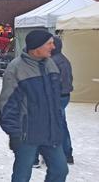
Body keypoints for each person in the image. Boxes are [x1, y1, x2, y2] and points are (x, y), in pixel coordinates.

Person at [0, 30, 68, 181]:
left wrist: (58, 123)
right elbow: (7, 106)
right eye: (49, 43)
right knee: (21, 176)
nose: (53, 46)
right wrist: (15, 133)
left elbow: (56, 100)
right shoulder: (15, 68)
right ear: (37, 47)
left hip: (50, 131)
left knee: (60, 170)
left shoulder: (51, 64)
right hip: (26, 134)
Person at [34, 36, 74, 165]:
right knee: (61, 124)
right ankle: (66, 153)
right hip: (64, 96)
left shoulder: (53, 62)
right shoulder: (64, 60)